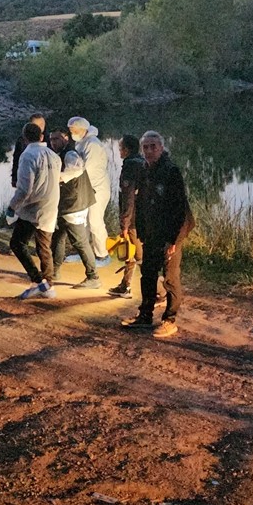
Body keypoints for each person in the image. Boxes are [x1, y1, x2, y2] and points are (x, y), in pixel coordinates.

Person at [121, 131, 192, 339]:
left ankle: (170, 320)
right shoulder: (144, 170)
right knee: (148, 275)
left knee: (170, 279)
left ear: (161, 148)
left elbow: (180, 210)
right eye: (146, 147)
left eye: (153, 147)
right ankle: (145, 315)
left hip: (170, 236)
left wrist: (174, 240)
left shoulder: (171, 172)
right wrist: (140, 230)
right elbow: (141, 204)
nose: (149, 151)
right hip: (150, 234)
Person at [8, 123, 61, 299]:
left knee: (17, 243)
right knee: (44, 247)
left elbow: (24, 189)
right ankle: (48, 285)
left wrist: (12, 207)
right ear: (41, 136)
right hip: (50, 206)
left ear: (24, 138)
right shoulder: (54, 156)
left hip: (32, 208)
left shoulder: (28, 155)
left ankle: (38, 281)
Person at [49, 128, 101, 289]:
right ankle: (54, 271)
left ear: (65, 138)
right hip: (68, 203)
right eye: (51, 139)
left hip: (74, 204)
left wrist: (59, 178)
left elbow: (77, 168)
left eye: (56, 139)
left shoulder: (70, 154)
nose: (53, 142)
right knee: (58, 237)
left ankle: (93, 277)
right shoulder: (62, 154)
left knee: (80, 241)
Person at [67, 116, 112, 266]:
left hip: (97, 189)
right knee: (84, 222)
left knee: (95, 222)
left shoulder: (92, 145)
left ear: (82, 129)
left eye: (73, 130)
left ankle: (102, 255)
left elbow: (86, 169)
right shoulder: (82, 142)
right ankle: (84, 252)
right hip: (87, 188)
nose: (71, 132)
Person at [108, 134, 144, 298]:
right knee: (135, 253)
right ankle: (125, 285)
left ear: (127, 150)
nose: (119, 151)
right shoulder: (143, 163)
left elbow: (128, 197)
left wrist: (125, 223)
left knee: (136, 254)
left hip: (133, 219)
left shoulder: (130, 167)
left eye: (121, 148)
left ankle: (159, 290)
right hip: (143, 216)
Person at [10, 113, 46, 188]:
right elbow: (16, 159)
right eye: (37, 125)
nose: (41, 127)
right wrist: (14, 178)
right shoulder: (22, 140)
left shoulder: (50, 139)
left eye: (42, 124)